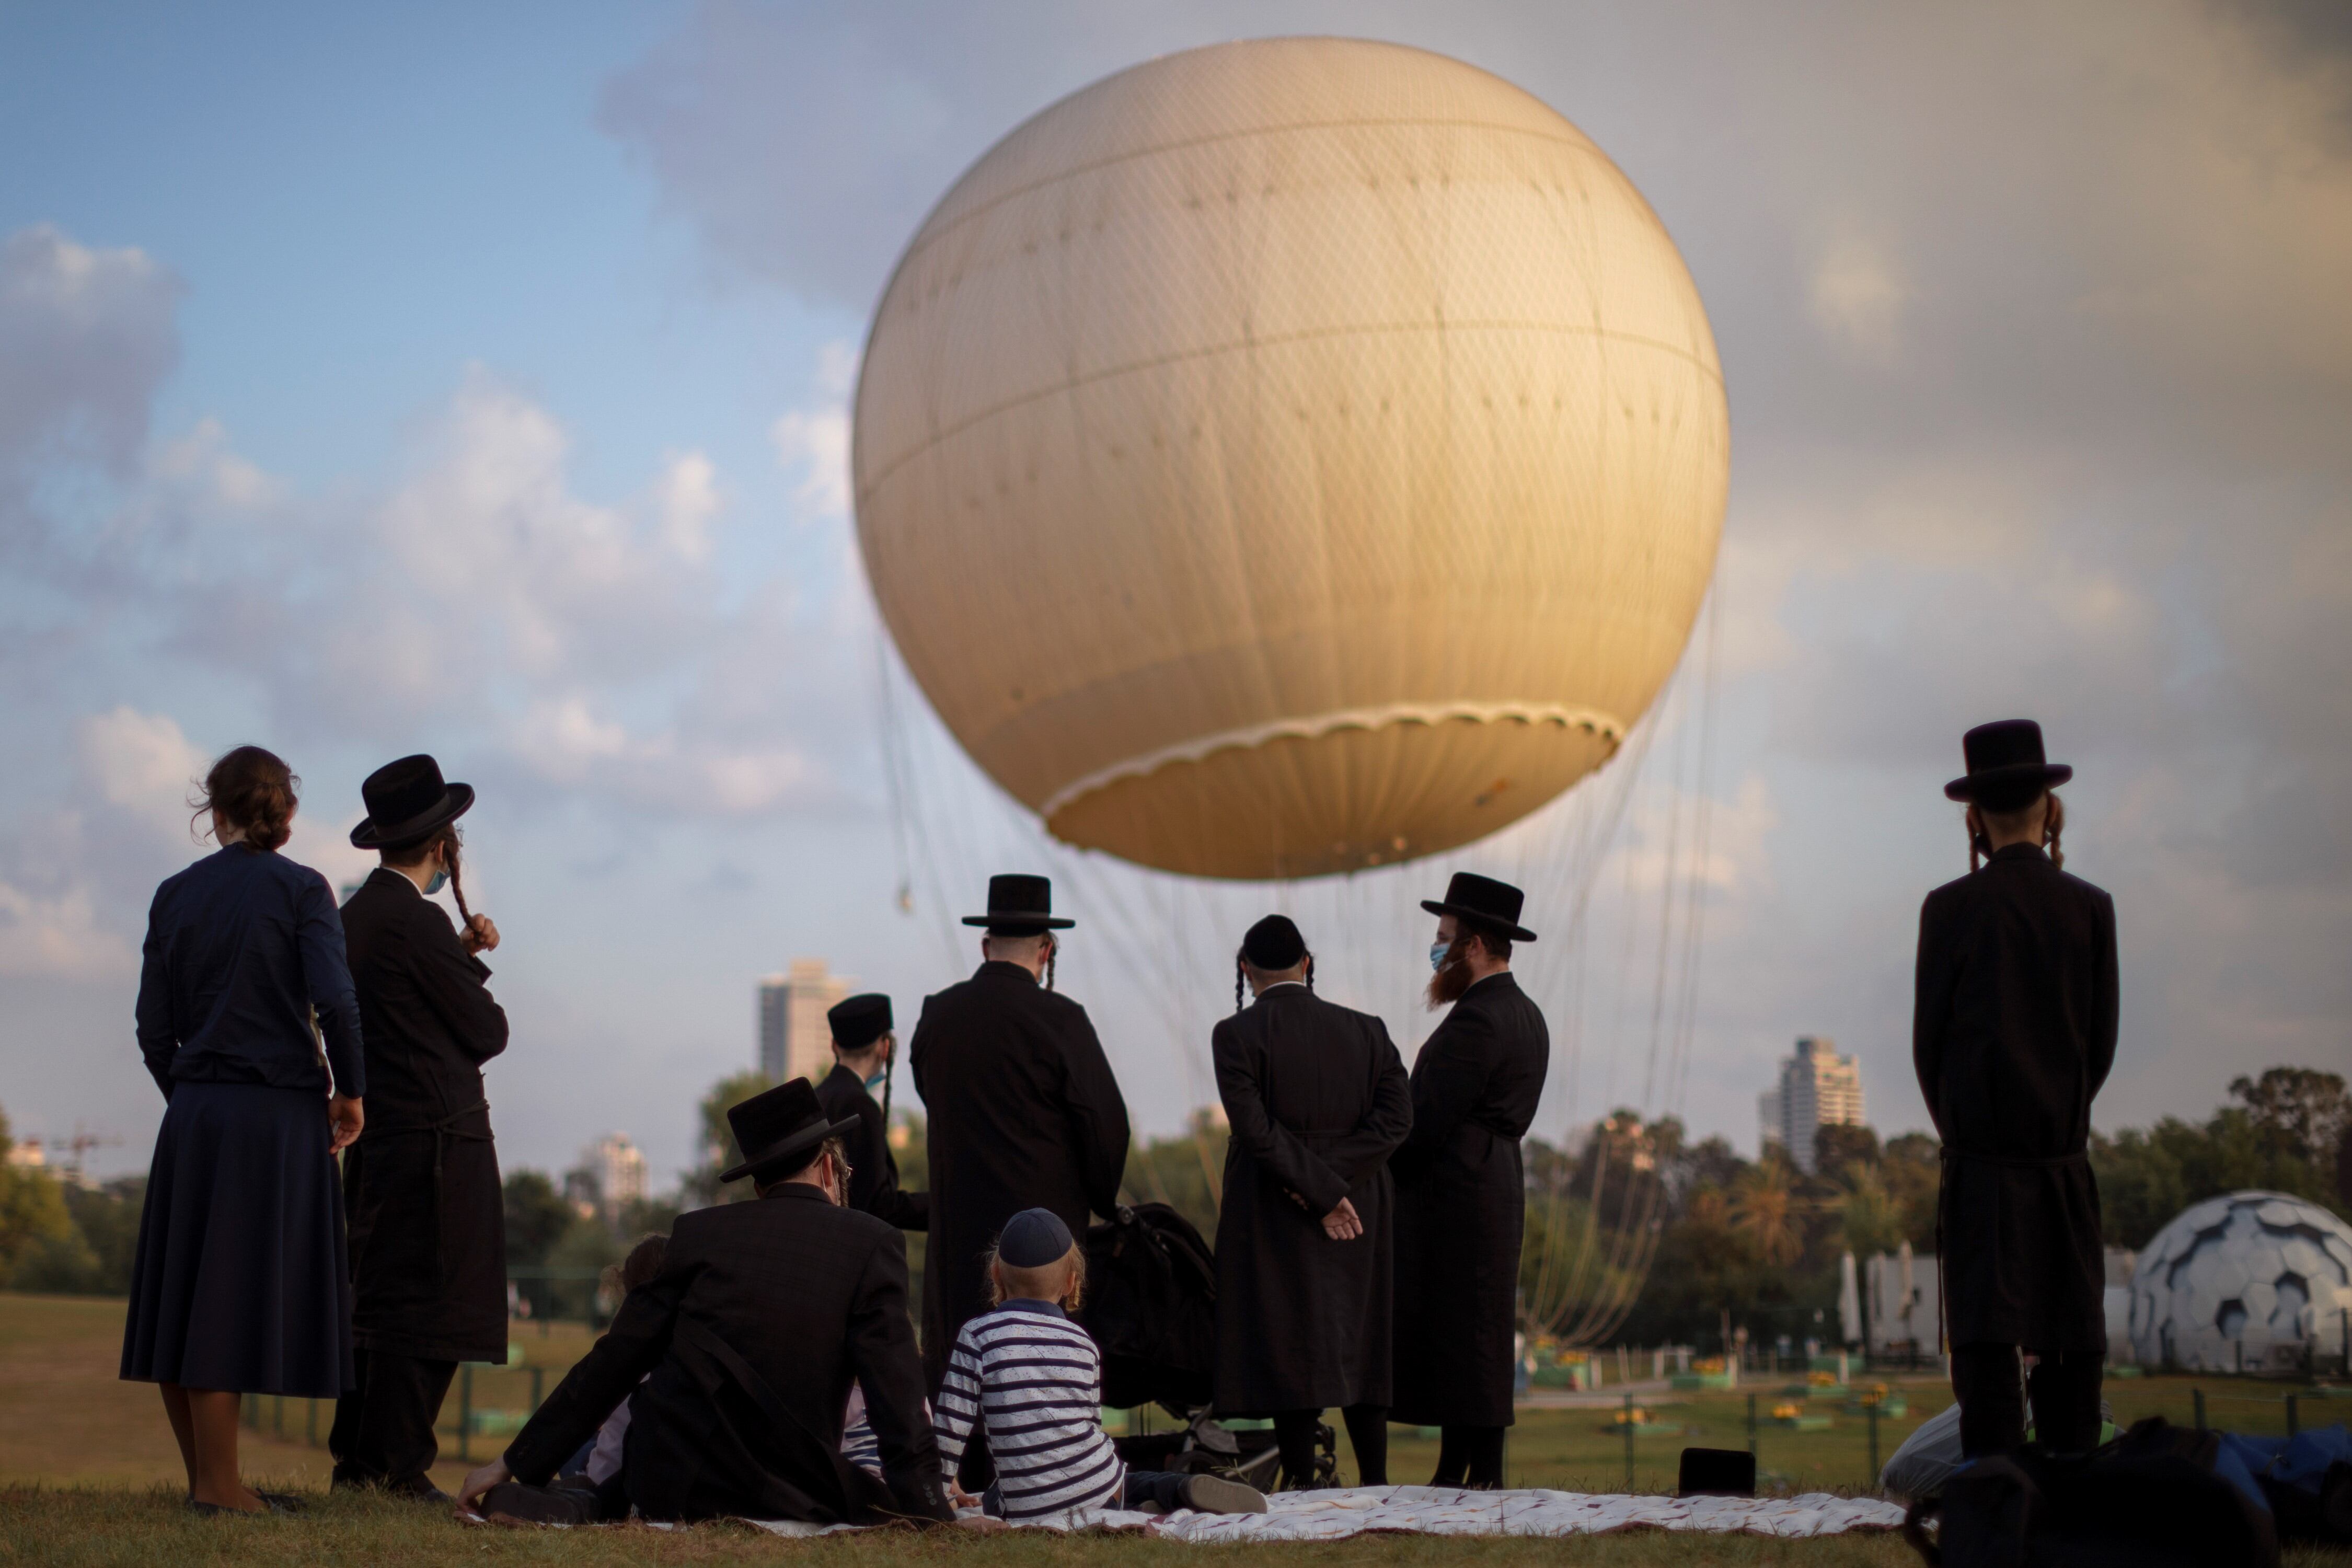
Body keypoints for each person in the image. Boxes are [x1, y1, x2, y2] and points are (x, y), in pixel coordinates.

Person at [458, 1079, 955, 1526]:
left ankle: (578, 1502)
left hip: (673, 1483)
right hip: (795, 1492)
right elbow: (897, 1398)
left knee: (614, 1488)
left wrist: (514, 1463)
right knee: (871, 1497)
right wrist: (935, 1511)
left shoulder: (696, 1234)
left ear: (759, 1184)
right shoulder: (872, 1244)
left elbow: (614, 1360)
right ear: (829, 1167)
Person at [122, 745, 365, 1515]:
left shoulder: (173, 894)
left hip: (196, 1112)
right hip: (276, 1116)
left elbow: (151, 1028)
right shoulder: (303, 890)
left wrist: (190, 1098)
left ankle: (209, 1479)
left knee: (183, 1293)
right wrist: (353, 1091)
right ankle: (221, 1489)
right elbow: (338, 1004)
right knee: (224, 1296)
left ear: (213, 812)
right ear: (287, 816)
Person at [1914, 719, 2116, 1458]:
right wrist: (2055, 1121)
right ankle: (2073, 1501)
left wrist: (1970, 1135)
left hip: (1981, 1170)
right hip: (2061, 1164)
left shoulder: (1949, 909)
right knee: (2072, 1349)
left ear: (1973, 817)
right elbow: (2102, 1045)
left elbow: (1927, 1048)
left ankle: (1997, 1504)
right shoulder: (2091, 908)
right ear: (2051, 810)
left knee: (1986, 1351)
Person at [329, 754, 510, 1501]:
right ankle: (401, 1466)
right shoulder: (420, 919)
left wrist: (456, 956)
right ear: (443, 846)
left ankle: (360, 1459)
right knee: (435, 1300)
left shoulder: (356, 918)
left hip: (380, 1140)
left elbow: (397, 1002)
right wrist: (465, 964)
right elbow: (486, 1031)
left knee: (376, 1299)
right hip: (441, 1138)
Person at [909, 875, 1129, 1432]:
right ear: (1047, 949)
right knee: (1038, 1376)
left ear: (985, 946)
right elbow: (1106, 1125)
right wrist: (1102, 1198)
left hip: (959, 1235)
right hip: (1042, 1233)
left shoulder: (938, 1014)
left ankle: (961, 1476)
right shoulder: (1062, 1019)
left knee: (962, 1367)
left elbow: (928, 1093)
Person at [1210, 915, 1412, 1489]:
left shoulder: (1235, 1034)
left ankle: (1301, 1481)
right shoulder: (1369, 1030)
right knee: (1364, 1337)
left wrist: (1315, 1187)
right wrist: (1337, 1184)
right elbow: (1398, 1119)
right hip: (1362, 1205)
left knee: (1289, 1336)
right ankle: (1377, 1481)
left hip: (1274, 1206)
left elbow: (1255, 1130)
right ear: (1308, 963)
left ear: (1246, 971)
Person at [936, 1209, 1266, 1521]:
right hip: (1098, 1483)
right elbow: (1091, 1420)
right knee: (1129, 1478)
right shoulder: (1083, 1343)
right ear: (1070, 1283)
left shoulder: (978, 1335)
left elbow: (952, 1422)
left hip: (1029, 1505)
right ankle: (1173, 1490)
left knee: (996, 1496)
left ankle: (1138, 1502)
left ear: (995, 1274)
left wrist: (940, 1485)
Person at [1389, 872, 1548, 1489]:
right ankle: (1458, 1466)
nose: (1437, 952)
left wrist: (1379, 1170)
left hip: (1460, 1190)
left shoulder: (1478, 1020)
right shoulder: (1525, 1012)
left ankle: (1481, 1471)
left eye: (1443, 940)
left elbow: (1425, 1119)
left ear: (1475, 947)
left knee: (1468, 1333)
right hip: (1497, 1182)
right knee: (1472, 1329)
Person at [814, 994, 926, 1230]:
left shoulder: (818, 1095)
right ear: (885, 1048)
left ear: (834, 1045)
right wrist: (940, 1207)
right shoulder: (860, 1105)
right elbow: (879, 1205)